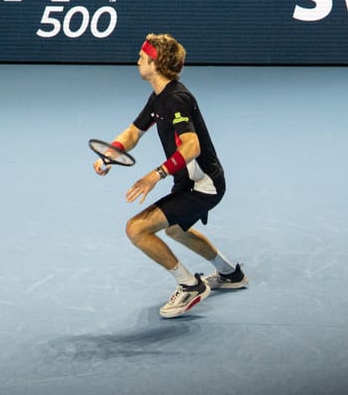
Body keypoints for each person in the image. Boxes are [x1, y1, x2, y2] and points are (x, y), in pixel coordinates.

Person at [92, 33, 248, 318]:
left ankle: (190, 286)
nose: (137, 60)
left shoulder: (176, 99)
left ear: (156, 63)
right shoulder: (159, 97)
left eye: (142, 56)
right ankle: (230, 274)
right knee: (175, 229)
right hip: (189, 182)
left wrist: (155, 176)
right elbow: (133, 132)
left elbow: (192, 146)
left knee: (136, 229)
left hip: (204, 185)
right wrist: (111, 153)